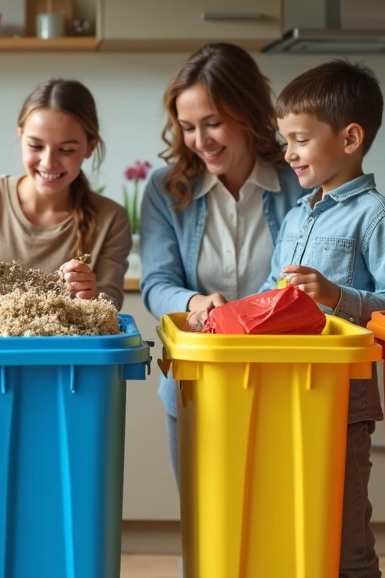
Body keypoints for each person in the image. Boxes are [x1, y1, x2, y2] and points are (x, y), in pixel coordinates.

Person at [261, 59, 385, 577]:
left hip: (342, 402)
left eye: (300, 140)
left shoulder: (377, 216)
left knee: (347, 538)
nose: (288, 154)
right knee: (293, 525)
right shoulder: (294, 215)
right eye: (286, 141)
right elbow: (271, 294)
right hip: (283, 391)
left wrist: (334, 295)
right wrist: (226, 317)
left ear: (350, 138)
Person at [138, 43, 305, 482]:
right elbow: (156, 283)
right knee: (204, 527)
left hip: (286, 381)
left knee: (279, 523)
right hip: (197, 382)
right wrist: (195, 303)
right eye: (189, 127)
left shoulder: (300, 181)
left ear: (248, 112)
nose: (200, 141)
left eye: (213, 123)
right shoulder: (165, 189)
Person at [0, 79, 131, 310]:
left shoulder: (111, 218)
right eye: (35, 146)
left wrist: (90, 293)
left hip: (67, 347)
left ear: (90, 147)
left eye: (66, 150)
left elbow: (110, 306)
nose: (49, 163)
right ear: (20, 135)